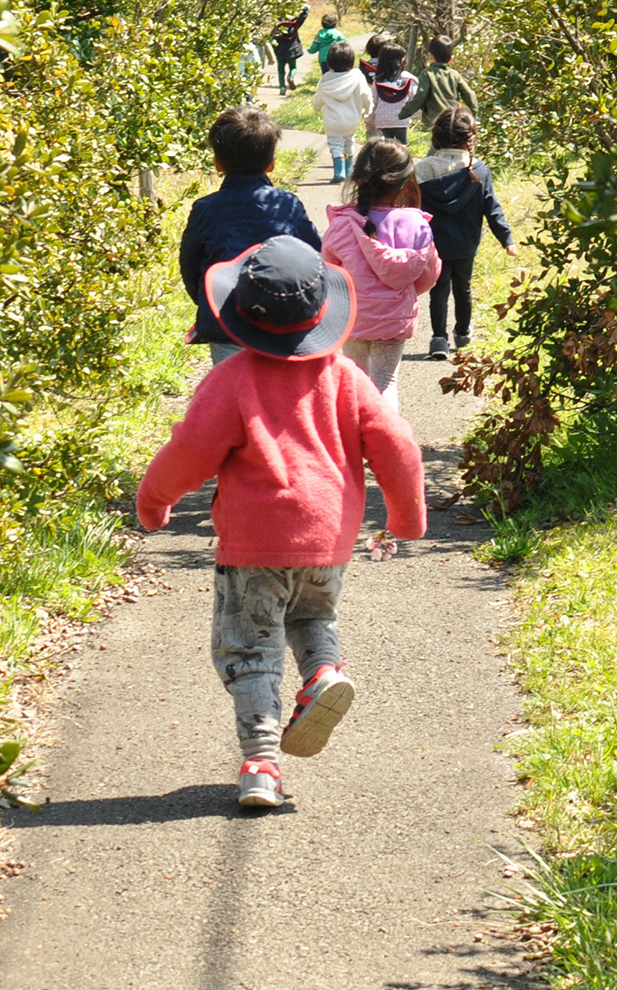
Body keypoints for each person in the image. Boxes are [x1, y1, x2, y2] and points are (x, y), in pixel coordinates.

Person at [137, 235, 427, 809]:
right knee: (313, 614)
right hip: (329, 537)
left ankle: (260, 763)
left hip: (253, 541)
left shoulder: (230, 380)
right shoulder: (345, 378)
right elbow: (397, 446)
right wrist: (406, 518)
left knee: (250, 647)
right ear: (323, 312)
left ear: (241, 314)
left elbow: (190, 450)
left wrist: (154, 501)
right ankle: (322, 674)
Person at [180, 107, 320, 365]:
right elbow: (313, 259)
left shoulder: (205, 209)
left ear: (217, 163)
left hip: (225, 321)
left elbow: (190, 268)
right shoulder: (287, 205)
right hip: (282, 321)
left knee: (233, 398)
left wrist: (210, 298)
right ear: (272, 163)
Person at [324, 139, 440, 413]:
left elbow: (329, 272)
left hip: (353, 318)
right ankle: (385, 444)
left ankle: (355, 444)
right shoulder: (416, 224)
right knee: (386, 383)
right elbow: (430, 274)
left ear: (360, 179)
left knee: (355, 383)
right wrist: (404, 291)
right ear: (403, 184)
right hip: (393, 320)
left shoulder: (343, 224)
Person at [415, 107, 515, 359]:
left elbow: (408, 209)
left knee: (439, 290)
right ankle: (462, 335)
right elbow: (492, 208)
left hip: (434, 243)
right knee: (463, 288)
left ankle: (438, 339)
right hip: (465, 244)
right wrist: (506, 238)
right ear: (469, 138)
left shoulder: (422, 171)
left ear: (435, 136)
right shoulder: (478, 170)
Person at [312, 49, 373, 183]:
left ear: (330, 62)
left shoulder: (326, 79)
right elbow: (366, 95)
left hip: (332, 121)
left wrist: (316, 107)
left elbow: (319, 97)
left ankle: (339, 171)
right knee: (349, 141)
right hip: (352, 119)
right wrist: (368, 108)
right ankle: (349, 169)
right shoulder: (357, 77)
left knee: (335, 144)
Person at [407, 35, 479, 132]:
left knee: (438, 144)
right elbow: (470, 95)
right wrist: (472, 116)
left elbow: (421, 95)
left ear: (430, 55)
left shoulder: (426, 74)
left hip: (433, 121)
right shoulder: (455, 75)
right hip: (453, 118)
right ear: (451, 59)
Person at [366, 43, 419, 143]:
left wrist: (369, 120)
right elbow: (415, 102)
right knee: (401, 146)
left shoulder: (378, 81)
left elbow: (373, 103)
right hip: (401, 120)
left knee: (386, 146)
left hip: (382, 119)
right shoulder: (409, 79)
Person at [270, 8, 308, 92]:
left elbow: (271, 38)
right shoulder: (294, 25)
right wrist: (305, 9)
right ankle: (290, 76)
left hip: (280, 51)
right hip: (292, 51)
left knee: (280, 70)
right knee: (293, 67)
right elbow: (303, 17)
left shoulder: (277, 27)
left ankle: (282, 87)